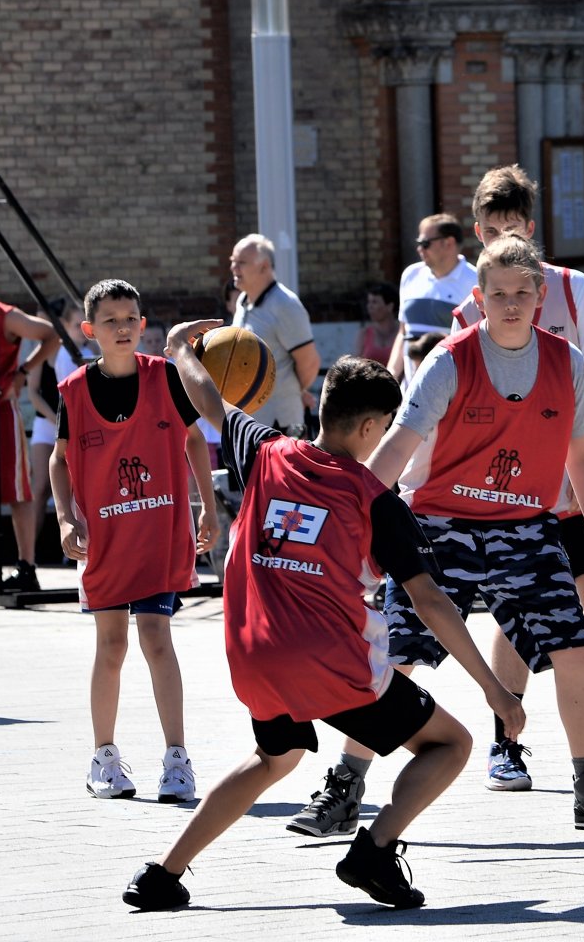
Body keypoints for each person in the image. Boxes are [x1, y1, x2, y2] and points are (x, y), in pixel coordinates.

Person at [121, 345, 529, 912]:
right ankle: (375, 851)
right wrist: (494, 688)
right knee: (451, 744)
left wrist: (178, 350)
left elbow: (208, 398)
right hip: (333, 665)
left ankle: (160, 876)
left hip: (254, 656)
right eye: (384, 427)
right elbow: (431, 603)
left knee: (274, 757)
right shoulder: (374, 500)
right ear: (368, 426)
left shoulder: (267, 452)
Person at [299, 233, 584, 839]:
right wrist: (344, 517)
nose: (511, 304)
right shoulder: (450, 358)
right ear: (479, 297)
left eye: (522, 293)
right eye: (499, 294)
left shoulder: (565, 362)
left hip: (528, 529)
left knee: (574, 649)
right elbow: (395, 451)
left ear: (541, 297)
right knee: (397, 656)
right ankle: (344, 787)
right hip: (441, 528)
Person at [451, 166, 584, 791]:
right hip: (511, 489)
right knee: (511, 611)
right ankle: (505, 741)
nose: (500, 239)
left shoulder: (574, 291)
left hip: (580, 479)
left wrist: (574, 461)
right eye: (489, 230)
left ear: (531, 231)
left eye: (511, 229)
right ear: (476, 234)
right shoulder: (469, 310)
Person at [51, 279, 218, 804]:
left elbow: (194, 440)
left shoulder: (166, 378)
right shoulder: (75, 391)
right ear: (89, 330)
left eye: (130, 319)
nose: (122, 328)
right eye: (110, 321)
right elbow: (59, 458)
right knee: (111, 646)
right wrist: (64, 517)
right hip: (104, 537)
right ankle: (104, 755)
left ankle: (177, 758)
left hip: (160, 532)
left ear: (143, 326)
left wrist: (207, 508)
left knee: (156, 638)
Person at [0, 299, 59, 591]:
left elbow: (52, 333)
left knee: (19, 489)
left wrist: (21, 372)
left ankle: (26, 564)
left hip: (0, 408)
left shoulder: (5, 315)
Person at [229, 234, 320, 436]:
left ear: (264, 266)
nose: (233, 269)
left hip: (281, 422)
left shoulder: (285, 305)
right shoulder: (243, 300)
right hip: (251, 419)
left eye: (241, 263)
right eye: (232, 262)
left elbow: (310, 363)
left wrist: (289, 392)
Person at [27, 297, 87, 558]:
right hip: (47, 423)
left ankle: (73, 546)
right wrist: (56, 420)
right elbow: (33, 394)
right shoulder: (45, 352)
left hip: (73, 425)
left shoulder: (80, 352)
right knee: (39, 488)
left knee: (75, 487)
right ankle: (28, 552)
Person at [389, 213, 476, 380]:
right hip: (410, 388)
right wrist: (391, 373)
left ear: (448, 243)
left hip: (452, 388)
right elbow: (403, 332)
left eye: (425, 243)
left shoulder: (475, 280)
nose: (419, 249)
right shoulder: (410, 274)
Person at [358, 282, 401, 363]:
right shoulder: (364, 334)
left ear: (390, 306)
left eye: (374, 302)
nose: (369, 306)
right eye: (369, 302)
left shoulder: (402, 333)